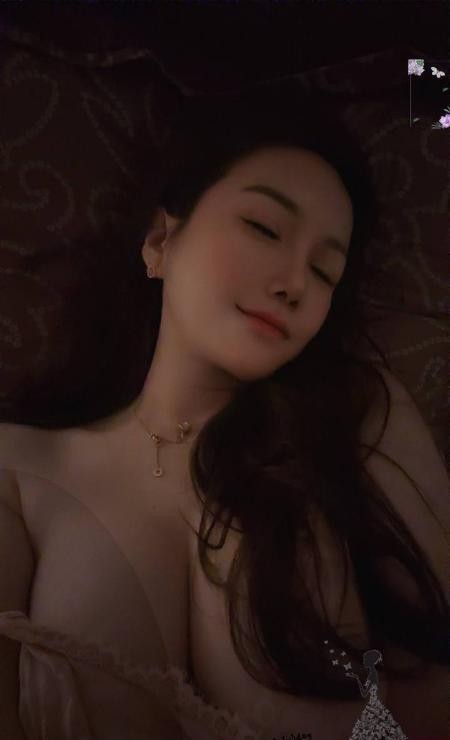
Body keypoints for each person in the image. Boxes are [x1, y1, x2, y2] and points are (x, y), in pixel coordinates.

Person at [0, 81, 448, 740]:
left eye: (324, 272)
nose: (294, 284)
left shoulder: (357, 414)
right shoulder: (18, 468)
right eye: (264, 228)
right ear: (160, 240)